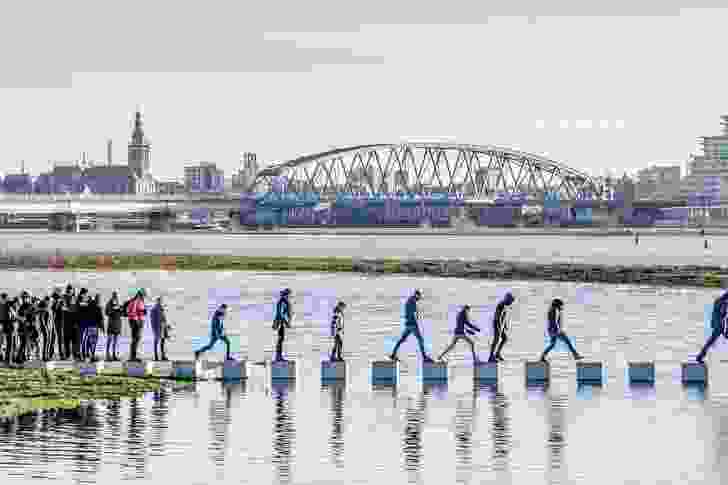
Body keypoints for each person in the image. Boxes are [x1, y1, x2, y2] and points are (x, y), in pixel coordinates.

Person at [389, 290, 434, 363]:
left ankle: (393, 354)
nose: (419, 298)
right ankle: (424, 357)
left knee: (402, 339)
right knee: (420, 340)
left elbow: (410, 312)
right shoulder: (412, 301)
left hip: (408, 324)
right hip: (412, 324)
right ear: (416, 295)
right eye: (418, 297)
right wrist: (416, 318)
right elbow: (415, 314)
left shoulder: (409, 300)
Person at [696, 290, 728, 363]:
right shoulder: (723, 302)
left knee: (710, 341)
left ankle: (700, 356)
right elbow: (722, 314)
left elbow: (716, 314)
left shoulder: (718, 300)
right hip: (720, 326)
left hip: (717, 325)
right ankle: (700, 356)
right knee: (711, 341)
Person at [488, 293, 515, 362]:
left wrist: (505, 325)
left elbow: (504, 316)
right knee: (496, 340)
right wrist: (499, 327)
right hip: (497, 324)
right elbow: (498, 317)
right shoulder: (501, 305)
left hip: (501, 324)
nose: (511, 303)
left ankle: (497, 353)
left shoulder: (505, 305)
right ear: (507, 299)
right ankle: (491, 357)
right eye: (511, 301)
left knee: (505, 338)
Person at [272, 289, 293, 362]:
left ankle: (279, 356)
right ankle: (278, 356)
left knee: (280, 339)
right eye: (288, 295)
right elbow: (281, 314)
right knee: (280, 339)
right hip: (281, 323)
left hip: (281, 323)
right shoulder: (283, 302)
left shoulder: (283, 301)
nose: (289, 296)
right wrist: (286, 322)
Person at [126, 290, 147, 362]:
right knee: (135, 339)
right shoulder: (136, 301)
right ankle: (132, 357)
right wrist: (137, 320)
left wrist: (142, 312)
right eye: (143, 295)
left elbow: (135, 311)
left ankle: (133, 356)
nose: (143, 297)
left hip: (136, 322)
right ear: (140, 295)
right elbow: (132, 312)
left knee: (136, 339)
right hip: (136, 322)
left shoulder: (136, 301)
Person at [105, 292, 123, 361]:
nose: (115, 297)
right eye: (114, 296)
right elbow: (107, 312)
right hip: (111, 324)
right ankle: (107, 354)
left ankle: (114, 354)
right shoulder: (109, 303)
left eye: (116, 296)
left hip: (117, 324)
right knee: (109, 340)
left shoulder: (118, 303)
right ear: (112, 296)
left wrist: (121, 309)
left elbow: (121, 313)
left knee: (115, 341)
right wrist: (113, 310)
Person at [150, 296, 169, 361]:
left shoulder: (161, 309)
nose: (160, 302)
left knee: (162, 342)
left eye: (161, 301)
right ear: (157, 301)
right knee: (157, 342)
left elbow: (164, 319)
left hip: (162, 328)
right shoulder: (154, 309)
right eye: (159, 301)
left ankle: (163, 356)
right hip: (158, 328)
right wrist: (154, 329)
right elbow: (152, 321)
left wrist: (167, 326)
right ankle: (156, 356)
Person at [77, 289, 93, 361]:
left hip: (86, 323)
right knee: (82, 340)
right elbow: (80, 307)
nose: (86, 295)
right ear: (82, 294)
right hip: (81, 323)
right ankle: (80, 354)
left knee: (85, 339)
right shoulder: (79, 301)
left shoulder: (86, 301)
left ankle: (84, 354)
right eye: (85, 294)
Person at [61, 285, 76, 360]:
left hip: (73, 322)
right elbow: (63, 308)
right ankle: (67, 354)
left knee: (74, 339)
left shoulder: (74, 298)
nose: (70, 291)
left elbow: (75, 310)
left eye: (71, 290)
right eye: (69, 290)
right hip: (66, 322)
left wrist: (68, 309)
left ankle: (73, 354)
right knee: (66, 339)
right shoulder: (64, 298)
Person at [37, 296, 54, 361]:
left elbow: (51, 319)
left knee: (48, 342)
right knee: (46, 342)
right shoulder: (44, 309)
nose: (50, 302)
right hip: (45, 328)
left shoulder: (49, 308)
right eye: (49, 301)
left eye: (50, 301)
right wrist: (45, 327)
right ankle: (45, 356)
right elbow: (41, 319)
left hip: (49, 327)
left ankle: (47, 355)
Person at [50, 288, 64, 360]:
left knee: (60, 339)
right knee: (53, 338)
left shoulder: (61, 302)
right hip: (55, 322)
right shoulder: (54, 303)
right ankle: (51, 353)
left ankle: (61, 354)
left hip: (60, 322)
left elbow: (63, 311)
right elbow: (53, 310)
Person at [0, 293, 13, 364]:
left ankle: (4, 358)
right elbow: (13, 315)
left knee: (3, 343)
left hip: (3, 326)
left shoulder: (4, 305)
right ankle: (7, 360)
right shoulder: (7, 306)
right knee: (9, 343)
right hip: (7, 326)